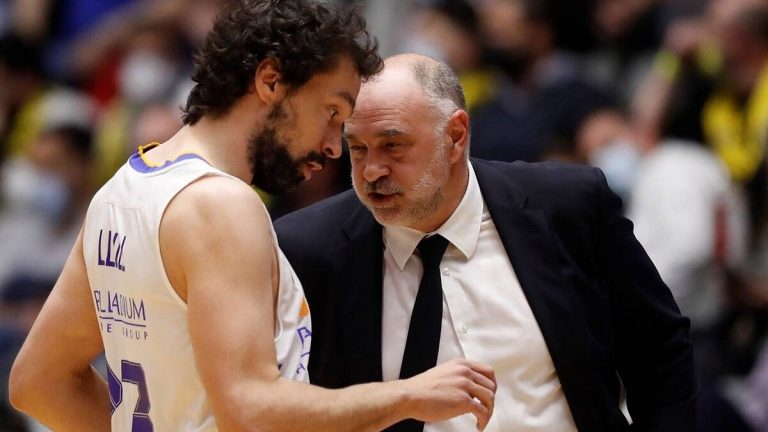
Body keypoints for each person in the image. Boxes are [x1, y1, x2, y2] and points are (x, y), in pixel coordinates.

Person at [8, 3, 497, 431]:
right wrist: (409, 395)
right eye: (331, 112)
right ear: (270, 82)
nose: (333, 146)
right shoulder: (222, 205)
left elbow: (39, 381)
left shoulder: (121, 191)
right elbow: (250, 411)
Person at [274, 53, 698, 431]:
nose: (371, 170)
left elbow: (659, 348)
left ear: (456, 136)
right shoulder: (307, 249)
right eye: (358, 148)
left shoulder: (568, 206)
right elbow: (286, 404)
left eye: (393, 145)